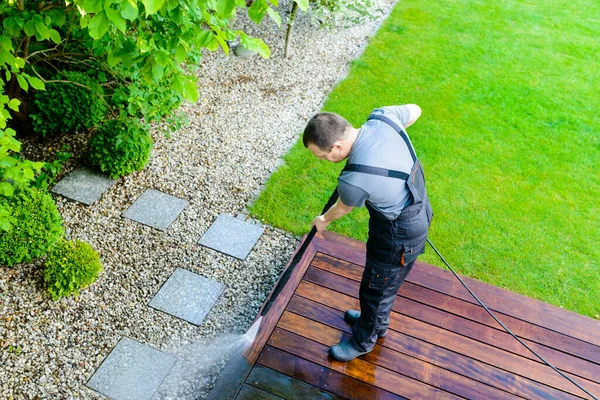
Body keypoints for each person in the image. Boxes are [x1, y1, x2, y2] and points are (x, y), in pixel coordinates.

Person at [303, 104, 433, 362]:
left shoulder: (353, 179)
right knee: (382, 283)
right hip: (415, 207)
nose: (322, 161)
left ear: (337, 147)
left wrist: (322, 220)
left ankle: (364, 341)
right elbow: (416, 110)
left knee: (377, 287)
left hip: (400, 232)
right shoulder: (384, 117)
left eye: (321, 156)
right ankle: (375, 322)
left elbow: (341, 209)